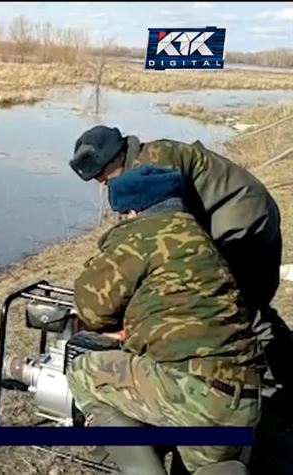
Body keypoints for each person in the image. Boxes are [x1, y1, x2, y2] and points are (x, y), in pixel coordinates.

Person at [66, 166, 263, 475]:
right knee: (208, 462)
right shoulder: (200, 239)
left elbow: (91, 310)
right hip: (245, 400)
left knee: (82, 373)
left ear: (132, 211)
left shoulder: (141, 236)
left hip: (193, 395)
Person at [68, 125, 290, 393]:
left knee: (230, 303)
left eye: (102, 176)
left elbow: (165, 236)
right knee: (252, 307)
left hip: (239, 225)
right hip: (253, 216)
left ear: (116, 157)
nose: (101, 184)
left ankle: (251, 386)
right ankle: (278, 375)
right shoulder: (145, 159)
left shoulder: (154, 163)